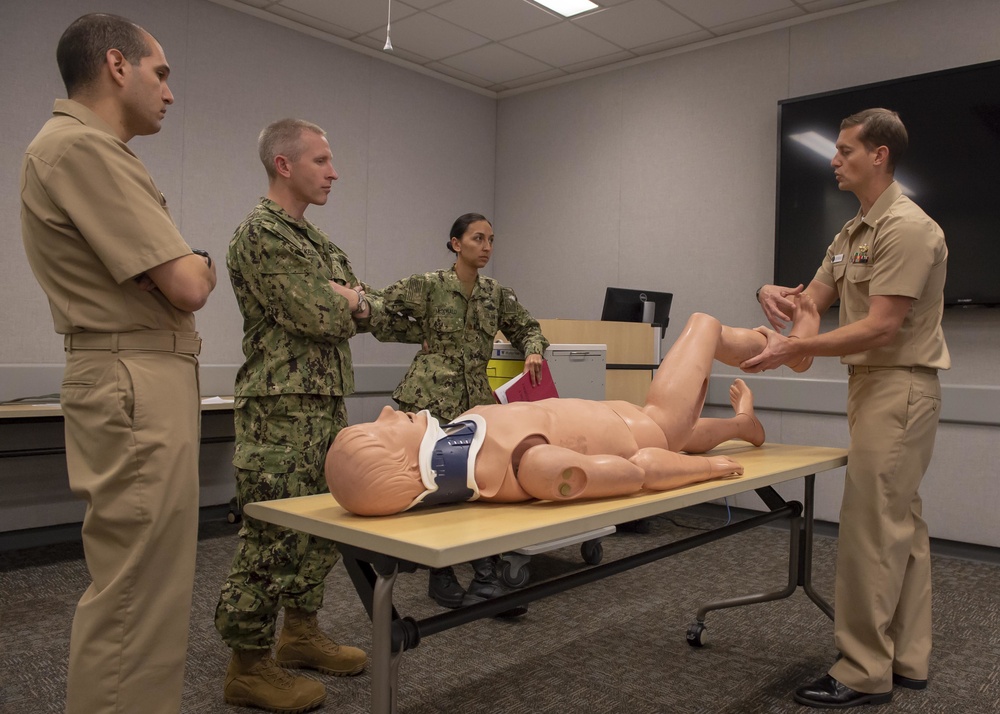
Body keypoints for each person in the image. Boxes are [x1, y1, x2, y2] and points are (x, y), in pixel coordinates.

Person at [19, 13, 217, 714]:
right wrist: (200, 264)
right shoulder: (82, 149)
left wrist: (181, 268)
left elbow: (170, 278)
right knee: (137, 592)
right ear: (116, 65)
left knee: (148, 586)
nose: (168, 92)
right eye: (160, 73)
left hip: (140, 371)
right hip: (133, 375)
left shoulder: (84, 150)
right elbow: (188, 284)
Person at [747, 108, 949, 708]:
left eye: (844, 150)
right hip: (872, 387)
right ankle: (907, 660)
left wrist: (797, 346)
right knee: (900, 525)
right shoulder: (854, 231)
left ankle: (863, 670)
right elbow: (812, 298)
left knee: (869, 530)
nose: (833, 160)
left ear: (878, 155)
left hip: (899, 385)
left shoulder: (907, 228)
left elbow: (882, 327)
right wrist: (775, 297)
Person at [325, 304, 822, 517]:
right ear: (406, 468)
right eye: (382, 432)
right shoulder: (530, 465)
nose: (389, 413)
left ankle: (744, 426)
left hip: (627, 420)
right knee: (703, 324)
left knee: (683, 430)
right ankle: (790, 348)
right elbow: (640, 469)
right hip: (651, 429)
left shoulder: (471, 446)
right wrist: (708, 470)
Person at [214, 118, 370, 713]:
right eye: (322, 161)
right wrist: (342, 301)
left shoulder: (318, 243)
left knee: (319, 529)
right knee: (272, 535)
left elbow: (360, 304)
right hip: (278, 412)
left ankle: (299, 635)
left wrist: (345, 298)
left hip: (325, 403)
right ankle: (248, 666)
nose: (334, 172)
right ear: (285, 165)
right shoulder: (260, 235)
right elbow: (321, 316)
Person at [370, 213, 549, 608]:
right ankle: (445, 574)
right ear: (456, 244)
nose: (485, 247)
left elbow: (527, 327)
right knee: (436, 486)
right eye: (477, 238)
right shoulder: (428, 286)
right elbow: (378, 308)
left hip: (473, 403)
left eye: (490, 240)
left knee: (475, 485)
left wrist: (533, 350)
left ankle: (486, 579)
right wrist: (418, 333)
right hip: (428, 400)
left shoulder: (496, 294)